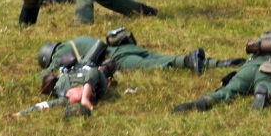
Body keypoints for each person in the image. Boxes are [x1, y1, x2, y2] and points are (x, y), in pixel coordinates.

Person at [172, 33, 271, 112]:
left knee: (228, 91)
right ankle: (262, 94)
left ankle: (206, 101)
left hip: (245, 71)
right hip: (270, 69)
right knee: (268, 85)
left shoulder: (253, 54)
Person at [37, 31, 244, 76]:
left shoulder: (62, 51)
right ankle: (219, 63)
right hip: (125, 48)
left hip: (117, 59)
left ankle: (188, 60)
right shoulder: (78, 40)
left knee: (156, 66)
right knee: (160, 57)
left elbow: (52, 70)